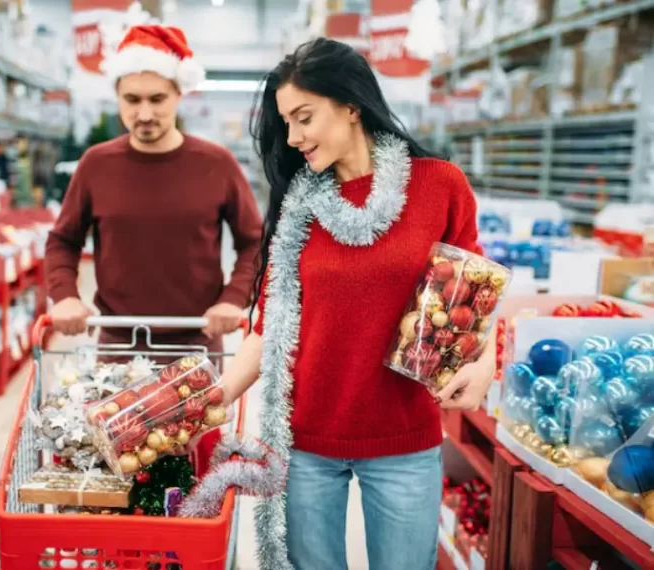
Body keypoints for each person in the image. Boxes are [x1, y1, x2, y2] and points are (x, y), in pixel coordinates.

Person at [220, 38, 496, 570]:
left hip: (404, 438)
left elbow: (475, 293)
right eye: (287, 123)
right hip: (305, 442)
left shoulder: (439, 186)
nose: (294, 137)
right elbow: (270, 325)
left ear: (350, 105)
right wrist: (218, 393)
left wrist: (484, 362)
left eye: (305, 117)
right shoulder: (299, 207)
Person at [44, 25, 263, 354]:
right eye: (132, 100)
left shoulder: (217, 164)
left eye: (157, 99)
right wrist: (65, 296)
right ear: (118, 96)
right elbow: (63, 240)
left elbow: (254, 243)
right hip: (117, 344)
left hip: (198, 345)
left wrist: (234, 298)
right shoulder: (96, 164)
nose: (144, 114)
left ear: (178, 94)